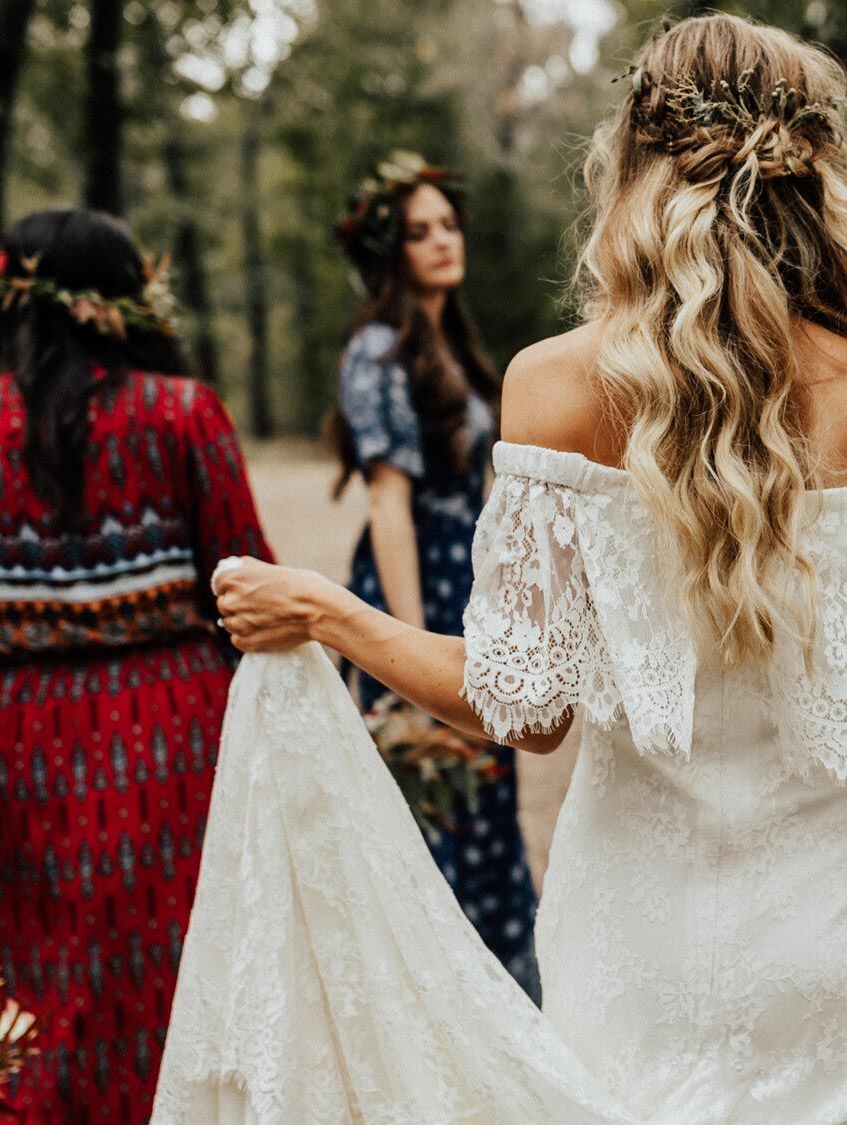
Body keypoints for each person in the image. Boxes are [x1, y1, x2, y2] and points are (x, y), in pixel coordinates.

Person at [154, 14, 847, 1123]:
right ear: (819, 178)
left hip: (640, 948)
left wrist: (329, 611)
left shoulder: (558, 386)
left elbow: (524, 709)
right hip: (841, 945)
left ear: (634, 163)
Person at [0, 209, 273, 1123]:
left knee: (25, 974)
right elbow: (245, 581)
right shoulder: (182, 414)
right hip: (166, 740)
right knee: (163, 973)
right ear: (125, 299)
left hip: (1, 744)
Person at [331, 152, 539, 1000]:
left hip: (467, 577)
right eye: (419, 232)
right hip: (415, 580)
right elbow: (388, 502)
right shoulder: (378, 349)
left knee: (486, 786)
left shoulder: (450, 339)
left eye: (447, 224)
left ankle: (505, 998)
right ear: (392, 251)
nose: (442, 241)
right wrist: (410, 644)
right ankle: (439, 1009)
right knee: (428, 793)